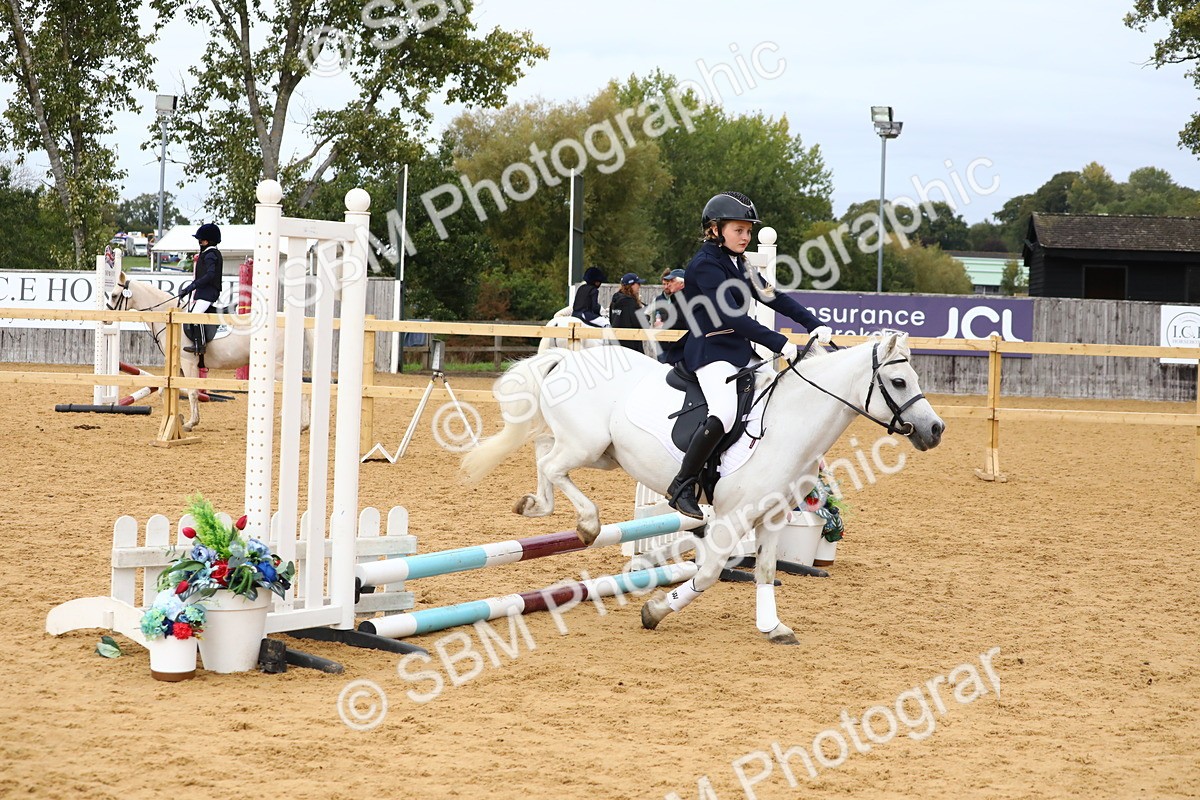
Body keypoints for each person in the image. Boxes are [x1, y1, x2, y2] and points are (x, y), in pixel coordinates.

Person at [665, 191, 833, 520]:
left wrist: (813, 323)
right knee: (725, 411)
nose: (746, 237)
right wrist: (778, 342)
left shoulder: (739, 262)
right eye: (739, 230)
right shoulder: (705, 265)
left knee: (776, 398)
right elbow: (732, 317)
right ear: (715, 229)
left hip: (738, 350)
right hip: (710, 350)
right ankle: (682, 484)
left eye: (748, 231)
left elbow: (772, 296)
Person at [182, 223, 223, 355]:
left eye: (201, 240)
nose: (200, 242)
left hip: (209, 292)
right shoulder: (207, 253)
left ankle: (200, 345)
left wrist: (193, 286)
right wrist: (189, 289)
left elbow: (210, 275)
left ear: (207, 241)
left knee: (196, 315)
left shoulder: (210, 254)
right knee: (192, 313)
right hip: (204, 292)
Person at [653, 268, 689, 364]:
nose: (669, 284)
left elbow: (681, 322)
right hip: (675, 347)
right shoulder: (678, 298)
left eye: (672, 281)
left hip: (681, 351)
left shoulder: (684, 299)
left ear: (682, 284)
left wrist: (663, 326)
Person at [609, 272, 647, 353]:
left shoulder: (614, 301)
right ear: (631, 285)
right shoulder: (630, 302)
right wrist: (647, 316)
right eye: (638, 284)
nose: (640, 286)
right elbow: (640, 322)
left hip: (615, 344)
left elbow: (611, 320)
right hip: (631, 346)